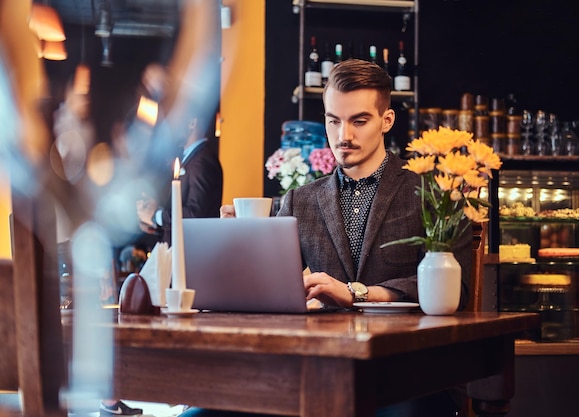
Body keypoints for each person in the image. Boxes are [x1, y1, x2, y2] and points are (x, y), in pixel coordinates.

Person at [203, 59, 472, 417]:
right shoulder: (301, 199)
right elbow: (265, 289)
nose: (343, 135)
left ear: (386, 121)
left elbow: (459, 290)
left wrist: (357, 294)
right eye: (333, 120)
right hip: (319, 369)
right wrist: (240, 244)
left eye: (359, 121)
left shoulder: (434, 194)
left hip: (410, 373)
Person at [136, 116, 224, 244]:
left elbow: (195, 215)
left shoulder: (202, 162)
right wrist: (155, 223)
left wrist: (158, 215)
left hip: (192, 255)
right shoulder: (192, 160)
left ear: (192, 122)